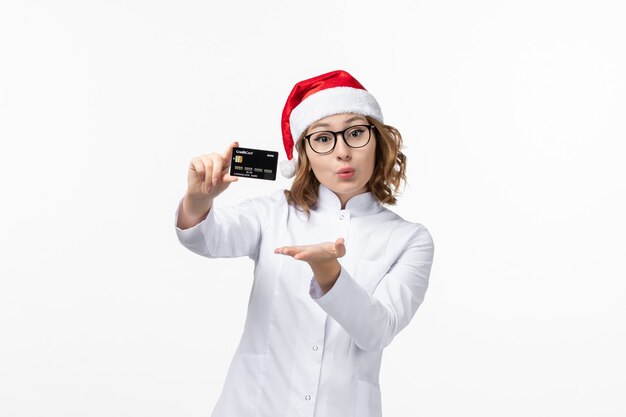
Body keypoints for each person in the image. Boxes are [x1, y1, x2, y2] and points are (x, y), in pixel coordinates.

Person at [174, 69, 435, 417]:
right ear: (304, 155)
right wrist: (197, 200)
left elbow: (377, 332)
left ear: (378, 141)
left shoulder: (409, 239)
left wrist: (330, 273)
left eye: (356, 133)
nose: (342, 152)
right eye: (324, 139)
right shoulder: (273, 213)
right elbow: (207, 238)